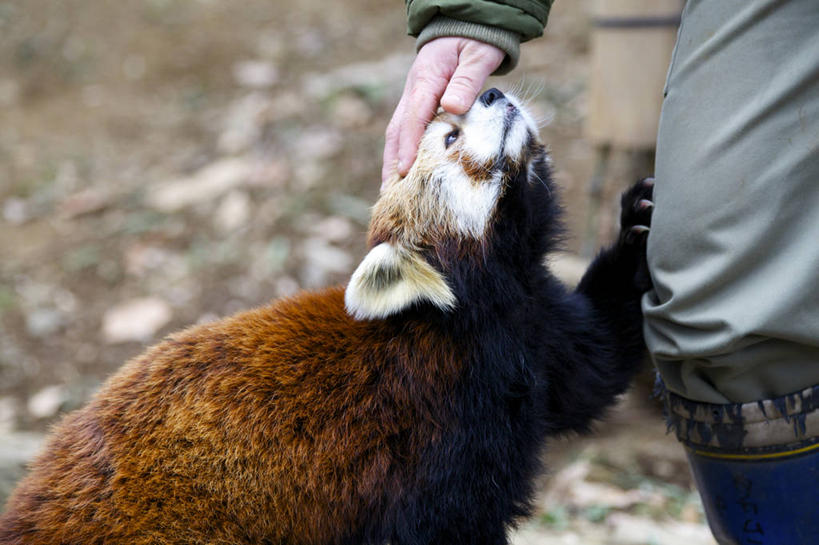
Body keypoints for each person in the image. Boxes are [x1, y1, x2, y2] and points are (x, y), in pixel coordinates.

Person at [384, 1, 819, 543]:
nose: (482, 106)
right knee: (727, 321)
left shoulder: (509, 317)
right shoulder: (459, 372)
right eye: (453, 139)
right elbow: (591, 364)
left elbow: (580, 364)